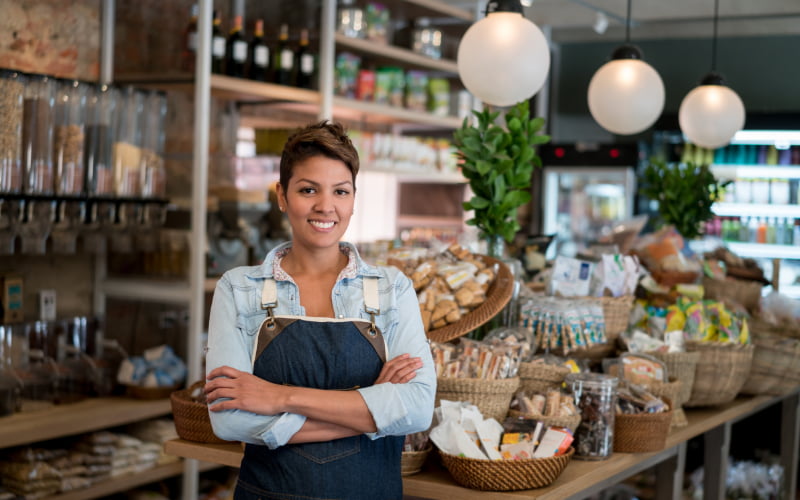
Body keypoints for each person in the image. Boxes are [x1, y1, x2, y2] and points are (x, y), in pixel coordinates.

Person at [204, 121, 436, 500]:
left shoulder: (392, 288)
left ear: (353, 199)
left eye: (340, 191)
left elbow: (415, 410)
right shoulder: (238, 288)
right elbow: (229, 420)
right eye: (308, 189)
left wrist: (279, 398)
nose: (325, 206)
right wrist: (371, 406)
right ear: (282, 195)